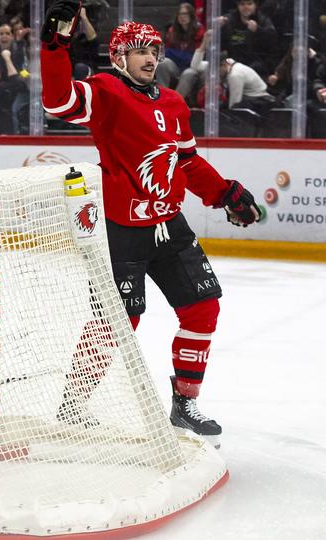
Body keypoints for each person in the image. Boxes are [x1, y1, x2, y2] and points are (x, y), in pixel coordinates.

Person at [40, 2, 264, 447]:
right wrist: (55, 46)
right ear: (119, 57)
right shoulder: (106, 91)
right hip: (122, 228)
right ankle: (73, 403)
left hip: (169, 225)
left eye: (154, 49)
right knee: (120, 321)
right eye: (139, 50)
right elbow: (58, 101)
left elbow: (187, 162)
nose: (149, 57)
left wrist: (224, 195)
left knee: (203, 307)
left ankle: (185, 403)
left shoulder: (175, 103)